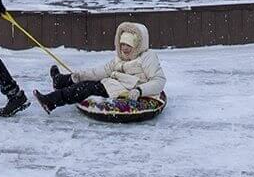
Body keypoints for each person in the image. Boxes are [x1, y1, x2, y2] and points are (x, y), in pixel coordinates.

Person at [34, 22, 165, 113]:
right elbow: (101, 71)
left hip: (126, 90)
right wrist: (78, 75)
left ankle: (50, 102)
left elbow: (159, 81)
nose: (124, 48)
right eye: (122, 44)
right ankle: (60, 80)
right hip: (113, 84)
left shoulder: (148, 57)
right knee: (84, 79)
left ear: (137, 46)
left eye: (128, 45)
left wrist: (139, 90)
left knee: (84, 88)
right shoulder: (120, 58)